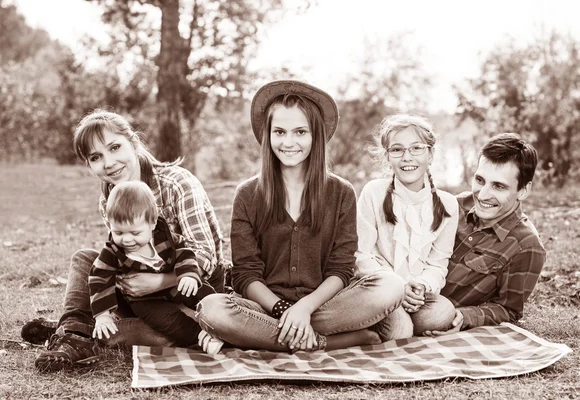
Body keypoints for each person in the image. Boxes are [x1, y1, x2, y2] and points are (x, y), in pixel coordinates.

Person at [196, 80, 405, 354]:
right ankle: (323, 342)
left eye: (300, 132)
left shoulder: (341, 192)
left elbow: (340, 270)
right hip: (266, 307)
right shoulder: (247, 194)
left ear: (315, 136)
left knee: (390, 286)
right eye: (279, 132)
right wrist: (284, 309)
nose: (289, 142)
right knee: (212, 310)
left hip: (323, 306)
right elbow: (246, 275)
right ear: (267, 135)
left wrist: (304, 309)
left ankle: (264, 335)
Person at [24, 109, 226, 371]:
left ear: (134, 143)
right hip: (145, 300)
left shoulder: (176, 183)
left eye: (115, 147)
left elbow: (204, 254)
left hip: (191, 290)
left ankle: (77, 332)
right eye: (96, 157)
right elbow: (119, 254)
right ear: (89, 165)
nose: (109, 163)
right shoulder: (109, 197)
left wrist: (158, 282)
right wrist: (121, 286)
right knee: (86, 259)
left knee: (164, 334)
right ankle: (75, 328)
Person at [425, 133, 546, 336]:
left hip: (434, 313)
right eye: (480, 180)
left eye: (498, 186)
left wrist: (465, 317)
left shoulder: (526, 246)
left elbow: (508, 309)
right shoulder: (453, 206)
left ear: (523, 191)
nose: (482, 195)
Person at [355, 114, 458, 341]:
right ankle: (376, 324)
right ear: (387, 157)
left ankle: (394, 321)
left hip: (416, 294)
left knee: (443, 311)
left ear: (430, 154)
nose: (407, 157)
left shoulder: (448, 204)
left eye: (416, 148)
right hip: (378, 288)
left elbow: (438, 264)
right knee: (400, 331)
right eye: (397, 150)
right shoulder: (374, 193)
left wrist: (421, 286)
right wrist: (398, 287)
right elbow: (361, 255)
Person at [89, 181, 219, 352]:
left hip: (175, 283)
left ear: (152, 224)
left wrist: (188, 274)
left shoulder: (164, 237)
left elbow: (184, 251)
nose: (127, 240)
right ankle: (200, 337)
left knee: (202, 293)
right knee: (169, 322)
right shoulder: (112, 251)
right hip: (145, 301)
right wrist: (103, 315)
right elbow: (99, 278)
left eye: (135, 233)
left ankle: (222, 323)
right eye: (118, 232)